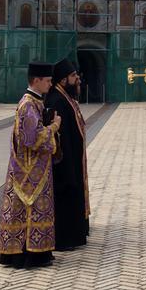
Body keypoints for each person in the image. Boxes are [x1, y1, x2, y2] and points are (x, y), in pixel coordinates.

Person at [0, 62, 62, 268]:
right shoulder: (27, 104)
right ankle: (28, 255)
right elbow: (33, 138)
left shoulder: (35, 102)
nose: (50, 84)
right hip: (27, 170)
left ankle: (37, 253)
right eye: (48, 81)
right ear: (36, 80)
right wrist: (54, 127)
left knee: (29, 210)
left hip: (35, 167)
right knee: (29, 210)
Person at [47, 58, 89, 251]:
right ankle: (66, 239)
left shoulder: (65, 97)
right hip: (64, 162)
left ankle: (75, 234)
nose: (77, 78)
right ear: (63, 79)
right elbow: (60, 137)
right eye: (73, 76)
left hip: (73, 159)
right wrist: (67, 163)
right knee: (65, 198)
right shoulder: (57, 100)